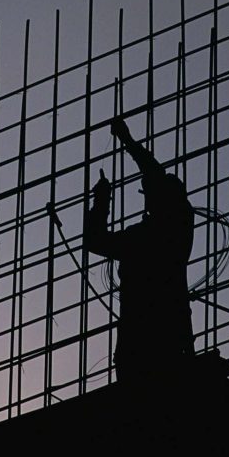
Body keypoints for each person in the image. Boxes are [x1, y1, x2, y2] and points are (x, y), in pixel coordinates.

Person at [83, 117, 195, 382]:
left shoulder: (145, 236)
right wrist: (127, 140)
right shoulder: (178, 225)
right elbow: (154, 173)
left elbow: (95, 241)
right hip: (169, 322)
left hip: (141, 327)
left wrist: (101, 201)